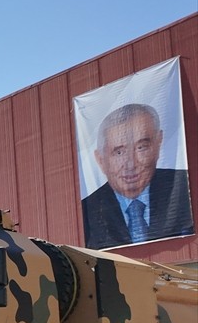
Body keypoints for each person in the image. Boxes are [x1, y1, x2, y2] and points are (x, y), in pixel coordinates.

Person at [81, 103, 194, 249]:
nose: (130, 164)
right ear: (100, 160)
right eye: (119, 152)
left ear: (158, 143)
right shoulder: (88, 210)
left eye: (141, 148)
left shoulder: (184, 187)